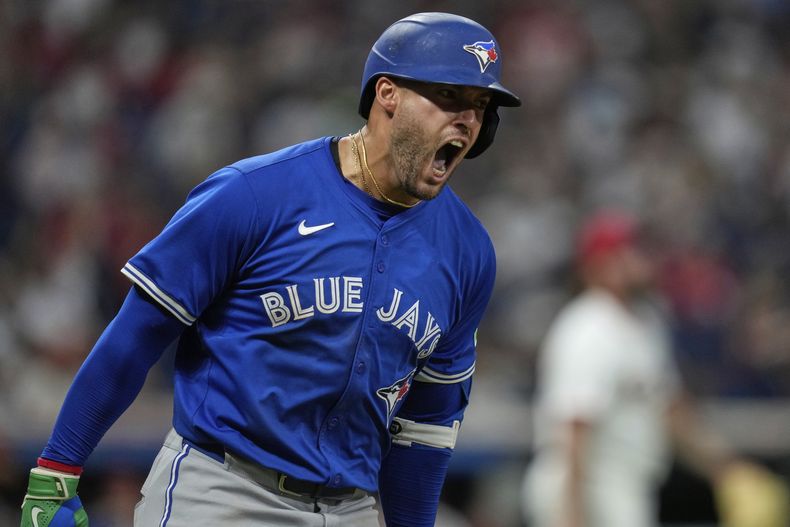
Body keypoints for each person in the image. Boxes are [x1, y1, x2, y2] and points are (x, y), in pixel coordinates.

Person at [19, 12, 521, 527]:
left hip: (352, 507)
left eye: (480, 107)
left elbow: (427, 423)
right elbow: (135, 338)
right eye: (449, 97)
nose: (467, 120)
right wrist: (58, 470)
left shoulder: (467, 252)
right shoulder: (255, 194)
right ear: (387, 94)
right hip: (225, 490)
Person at [521, 210, 789, 527]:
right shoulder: (586, 328)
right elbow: (573, 431)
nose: (640, 258)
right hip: (584, 488)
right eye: (626, 251)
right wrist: (572, 518)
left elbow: (670, 410)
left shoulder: (645, 322)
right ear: (598, 265)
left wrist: (728, 469)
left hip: (623, 485)